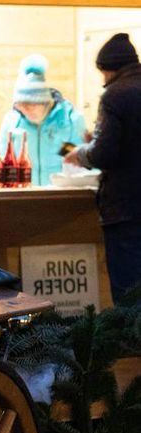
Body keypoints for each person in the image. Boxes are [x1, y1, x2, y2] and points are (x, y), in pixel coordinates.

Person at [64, 33, 141, 303]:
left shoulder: (114, 96)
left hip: (125, 209)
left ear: (109, 68)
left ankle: (131, 346)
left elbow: (105, 154)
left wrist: (81, 153)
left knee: (129, 295)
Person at [0, 54, 86, 186]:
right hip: (22, 199)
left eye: (30, 105)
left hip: (62, 198)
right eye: (21, 106)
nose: (25, 110)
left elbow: (85, 165)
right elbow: (2, 165)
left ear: (45, 102)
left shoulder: (71, 121)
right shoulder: (12, 122)